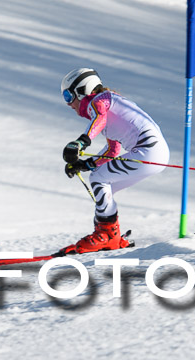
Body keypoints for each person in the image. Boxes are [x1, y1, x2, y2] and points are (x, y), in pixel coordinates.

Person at [60, 68, 170, 252]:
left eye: (68, 96)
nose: (68, 104)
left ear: (81, 90)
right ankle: (112, 236)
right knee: (103, 183)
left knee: (99, 179)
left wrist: (81, 143)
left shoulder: (100, 101)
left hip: (147, 150)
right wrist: (86, 164)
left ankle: (105, 236)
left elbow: (99, 119)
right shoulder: (109, 105)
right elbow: (112, 151)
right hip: (154, 153)